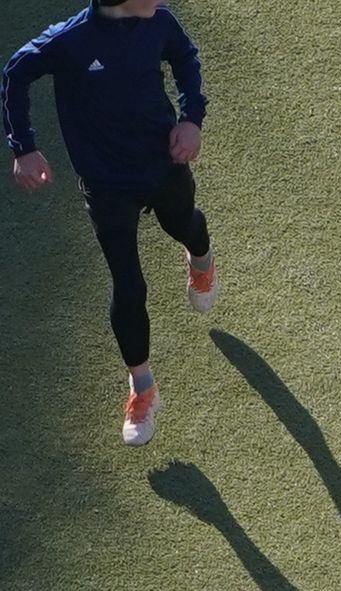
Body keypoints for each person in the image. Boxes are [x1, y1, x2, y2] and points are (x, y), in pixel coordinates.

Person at [4, 0, 216, 446]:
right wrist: (23, 146)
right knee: (129, 282)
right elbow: (15, 72)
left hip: (164, 165)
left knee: (186, 226)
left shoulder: (157, 19)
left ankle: (202, 262)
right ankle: (143, 389)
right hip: (106, 186)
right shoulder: (71, 40)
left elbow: (185, 56)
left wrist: (192, 118)